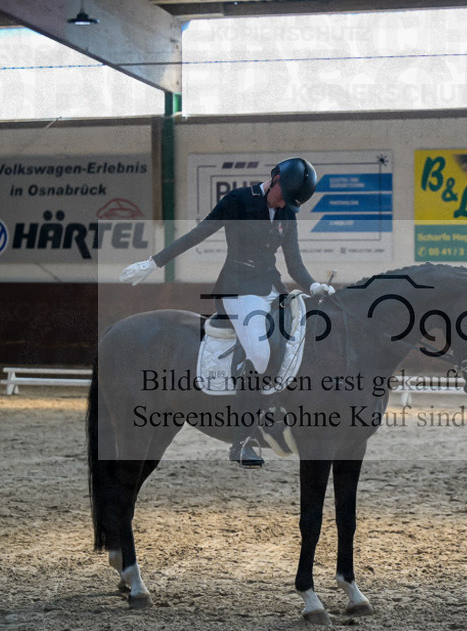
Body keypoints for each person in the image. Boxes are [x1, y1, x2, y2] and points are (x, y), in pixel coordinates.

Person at [119, 158, 334, 468]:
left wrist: (314, 286)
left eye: (289, 202)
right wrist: (154, 263)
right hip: (238, 289)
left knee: (297, 339)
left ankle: (278, 414)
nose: (283, 204)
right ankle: (243, 440)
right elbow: (198, 234)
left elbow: (294, 263)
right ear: (274, 179)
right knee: (259, 353)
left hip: (271, 288)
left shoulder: (287, 212)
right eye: (282, 197)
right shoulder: (239, 200)